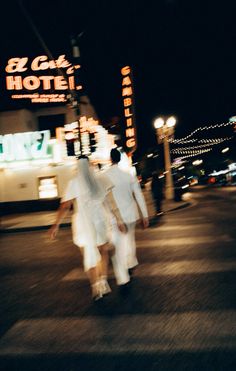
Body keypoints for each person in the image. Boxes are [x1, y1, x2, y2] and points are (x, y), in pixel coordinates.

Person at [49, 155, 125, 301]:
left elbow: (65, 205)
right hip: (100, 221)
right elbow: (110, 202)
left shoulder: (74, 183)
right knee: (102, 251)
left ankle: (95, 287)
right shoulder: (101, 179)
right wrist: (119, 220)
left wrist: (56, 224)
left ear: (78, 166)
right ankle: (103, 280)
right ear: (89, 164)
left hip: (82, 224)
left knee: (89, 254)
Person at [105, 148, 149, 289]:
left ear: (110, 159)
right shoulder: (129, 176)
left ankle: (123, 278)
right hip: (131, 215)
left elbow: (104, 200)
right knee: (130, 240)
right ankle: (130, 262)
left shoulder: (105, 176)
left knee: (118, 247)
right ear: (120, 159)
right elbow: (139, 195)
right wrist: (145, 215)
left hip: (115, 217)